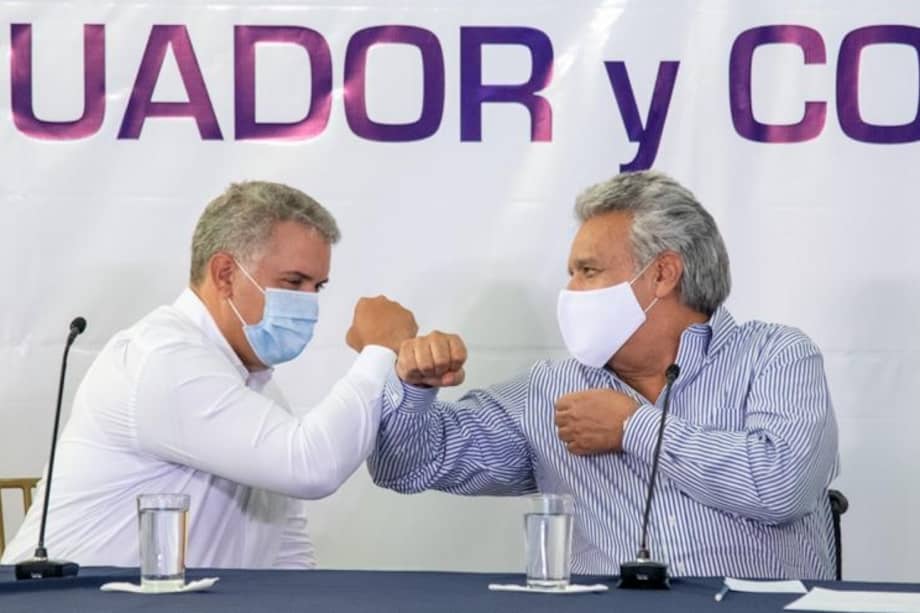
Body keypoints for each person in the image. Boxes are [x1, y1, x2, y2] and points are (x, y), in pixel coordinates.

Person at [369, 170, 840, 579]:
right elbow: (405, 466)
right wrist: (415, 386)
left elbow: (783, 486)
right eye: (570, 273)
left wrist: (632, 428)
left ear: (663, 274)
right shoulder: (548, 391)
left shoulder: (775, 356)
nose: (570, 292)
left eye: (587, 271)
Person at [2, 181, 417, 569]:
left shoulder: (256, 387)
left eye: (318, 287)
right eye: (294, 282)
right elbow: (310, 466)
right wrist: (379, 349)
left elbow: (286, 547)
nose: (310, 303)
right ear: (225, 274)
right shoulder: (163, 360)